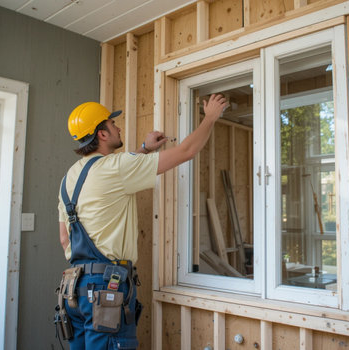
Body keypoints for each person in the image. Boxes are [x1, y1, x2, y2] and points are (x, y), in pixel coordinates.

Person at [57, 94, 227, 349]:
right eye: (112, 124)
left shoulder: (69, 178)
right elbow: (186, 151)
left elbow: (64, 238)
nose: (118, 127)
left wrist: (145, 150)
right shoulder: (116, 167)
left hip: (75, 288)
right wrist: (211, 117)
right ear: (101, 134)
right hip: (106, 289)